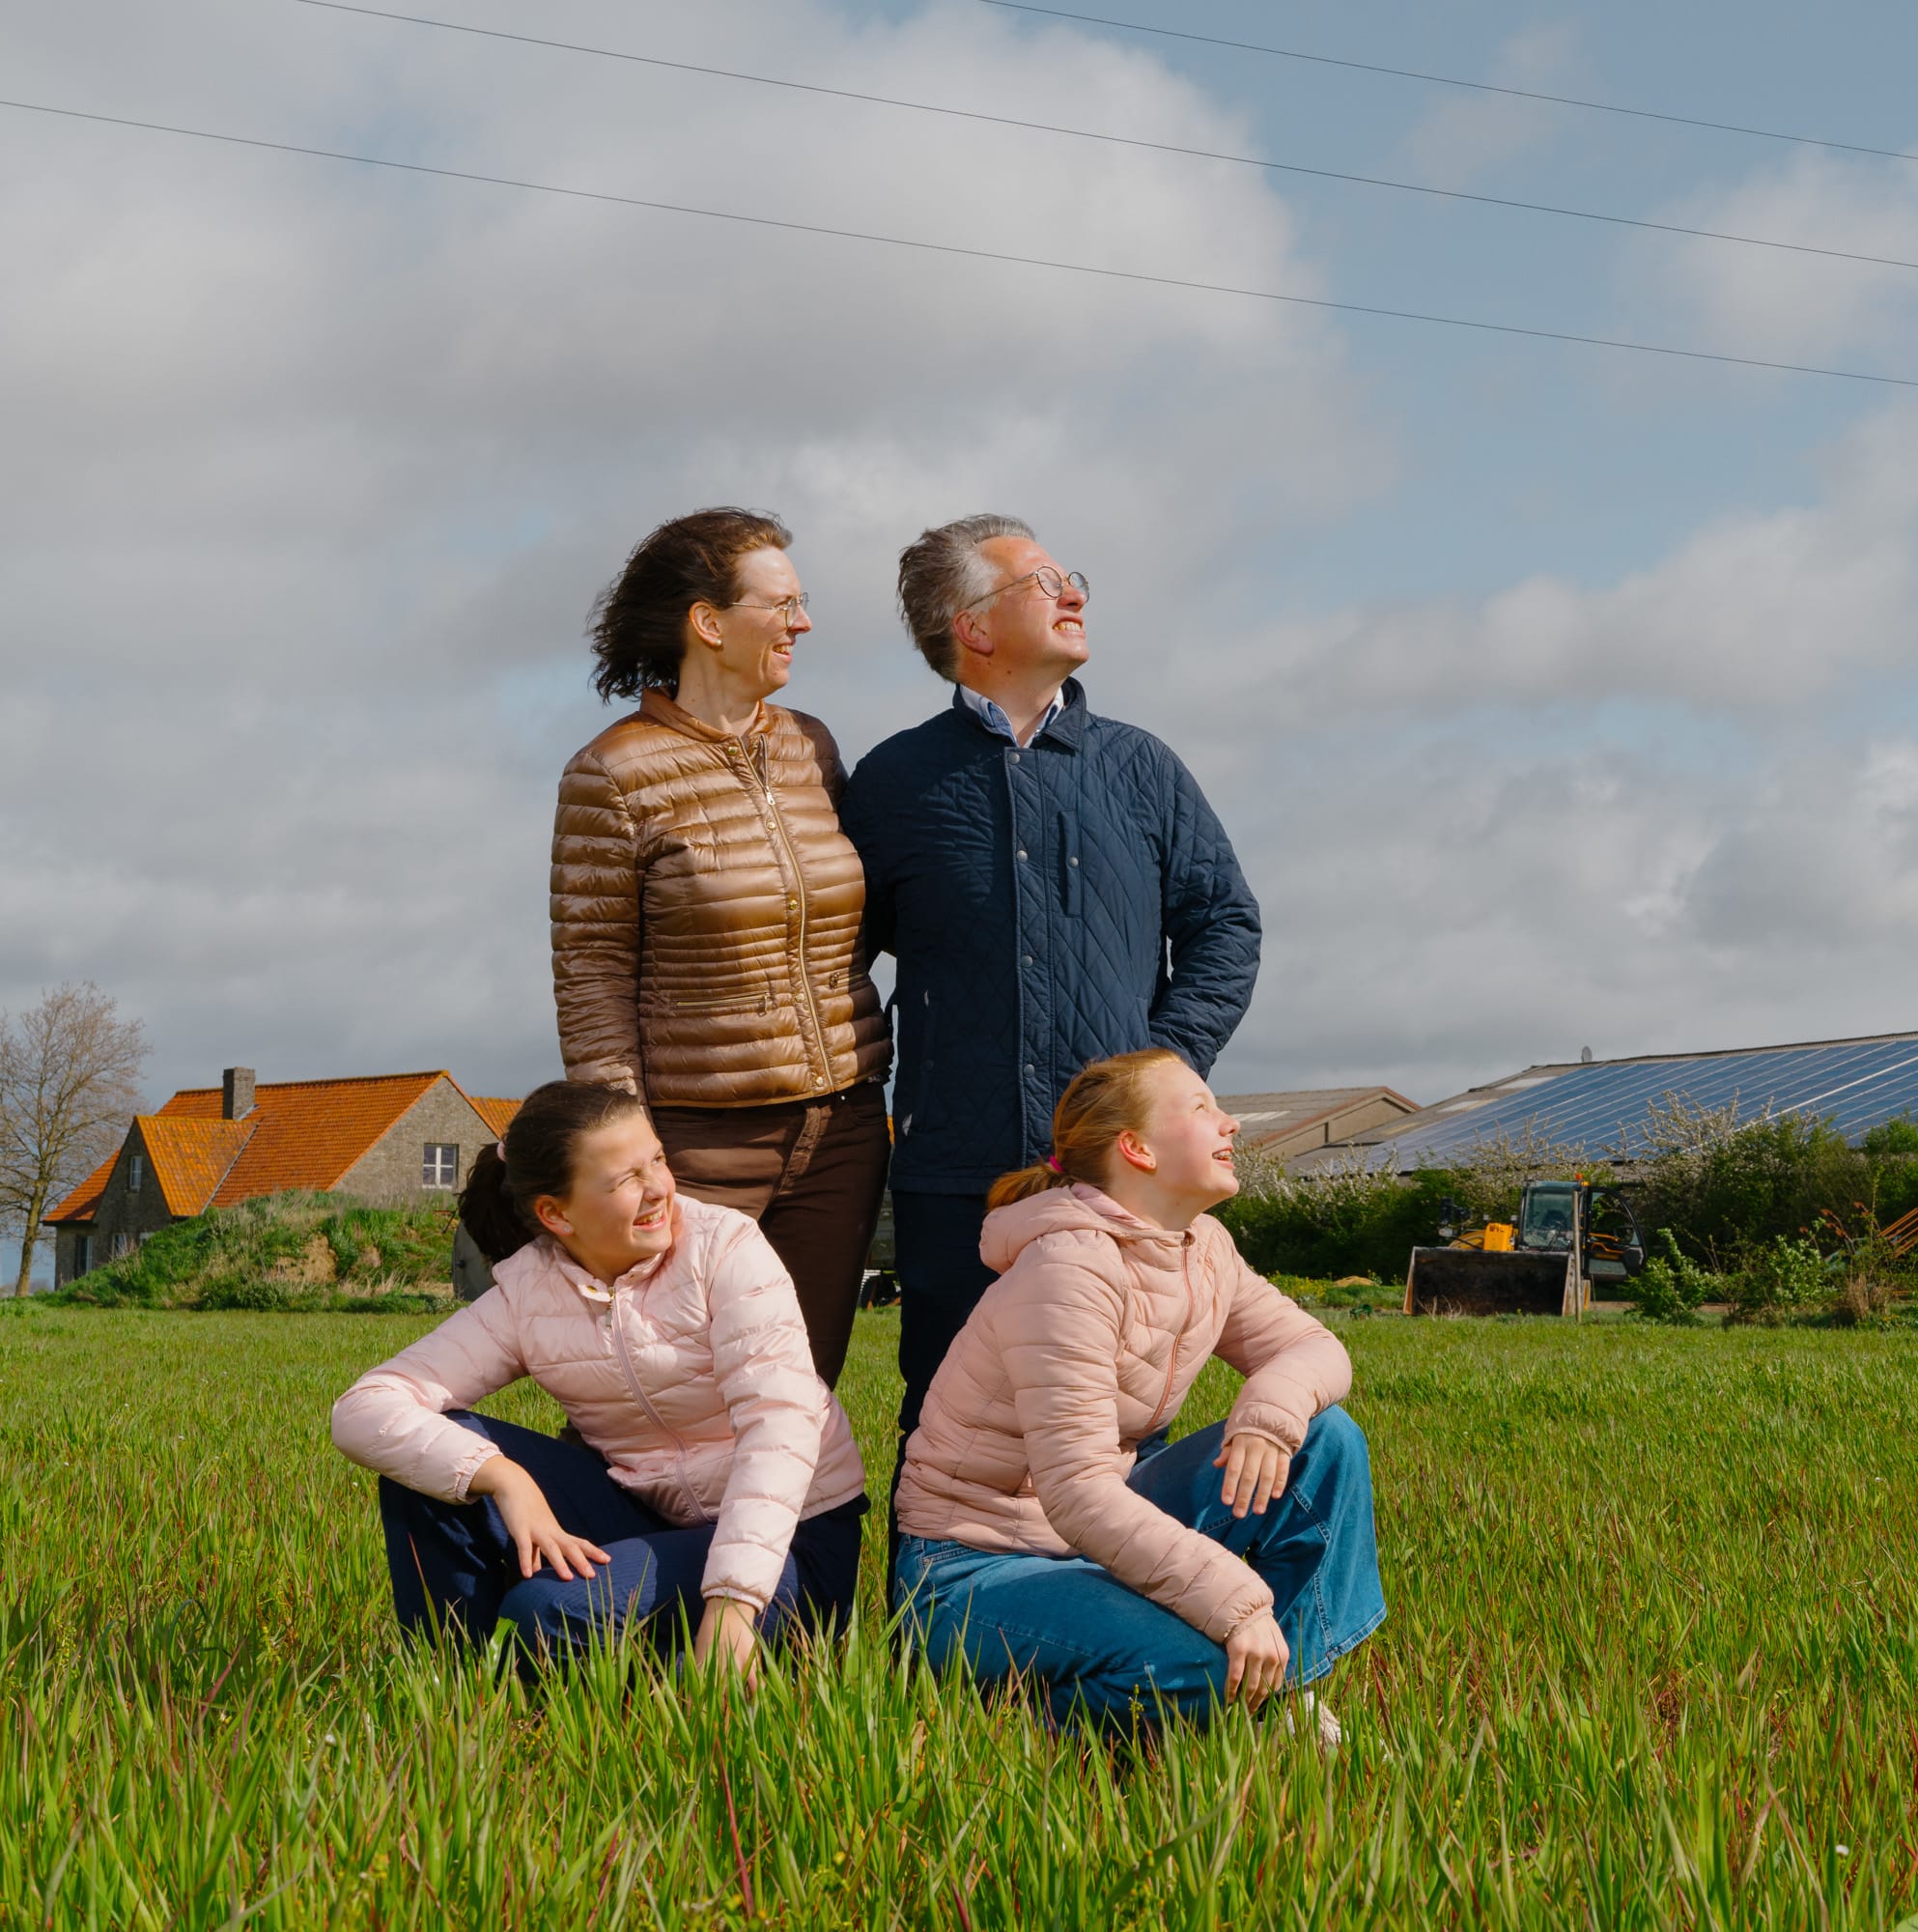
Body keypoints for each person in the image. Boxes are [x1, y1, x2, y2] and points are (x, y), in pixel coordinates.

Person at [844, 515, 1261, 1438]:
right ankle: (939, 1590)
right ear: (973, 627)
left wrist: (1155, 1071)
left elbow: (1225, 925)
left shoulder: (1142, 768)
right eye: (1044, 582)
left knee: (1117, 1411)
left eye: (1073, 577)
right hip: (957, 1170)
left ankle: (1110, 1585)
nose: (1074, 594)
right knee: (949, 1408)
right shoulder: (893, 782)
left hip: (1119, 1172)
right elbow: (831, 956)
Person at [893, 1051, 1383, 1733]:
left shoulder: (1202, 1246)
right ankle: (1001, 1722)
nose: (1231, 1122)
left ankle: (1282, 1692)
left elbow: (1314, 1349)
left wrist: (1268, 1420)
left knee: (1324, 1439)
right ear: (1137, 1149)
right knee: (1207, 1670)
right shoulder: (1067, 1268)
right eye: (1201, 1107)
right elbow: (1077, 1491)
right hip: (975, 1570)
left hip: (1091, 1536)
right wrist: (1239, 1604)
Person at [330, 1081, 868, 1668]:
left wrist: (735, 1605)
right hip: (653, 1519)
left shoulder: (726, 1250)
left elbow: (779, 1426)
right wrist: (504, 1479)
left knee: (543, 1614)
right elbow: (365, 1409)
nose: (659, 1188)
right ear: (555, 1214)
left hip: (794, 1539)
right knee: (430, 1467)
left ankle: (594, 1672)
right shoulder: (528, 1292)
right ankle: (457, 1692)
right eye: (624, 1180)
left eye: (657, 1159)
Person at [552, 507, 891, 1388]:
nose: (803, 623)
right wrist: (628, 1150)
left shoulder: (811, 747)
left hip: (845, 1130)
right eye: (781, 604)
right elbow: (591, 976)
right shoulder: (611, 773)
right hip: (698, 1147)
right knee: (677, 1388)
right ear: (708, 623)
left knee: (799, 1390)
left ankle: (791, 1536)